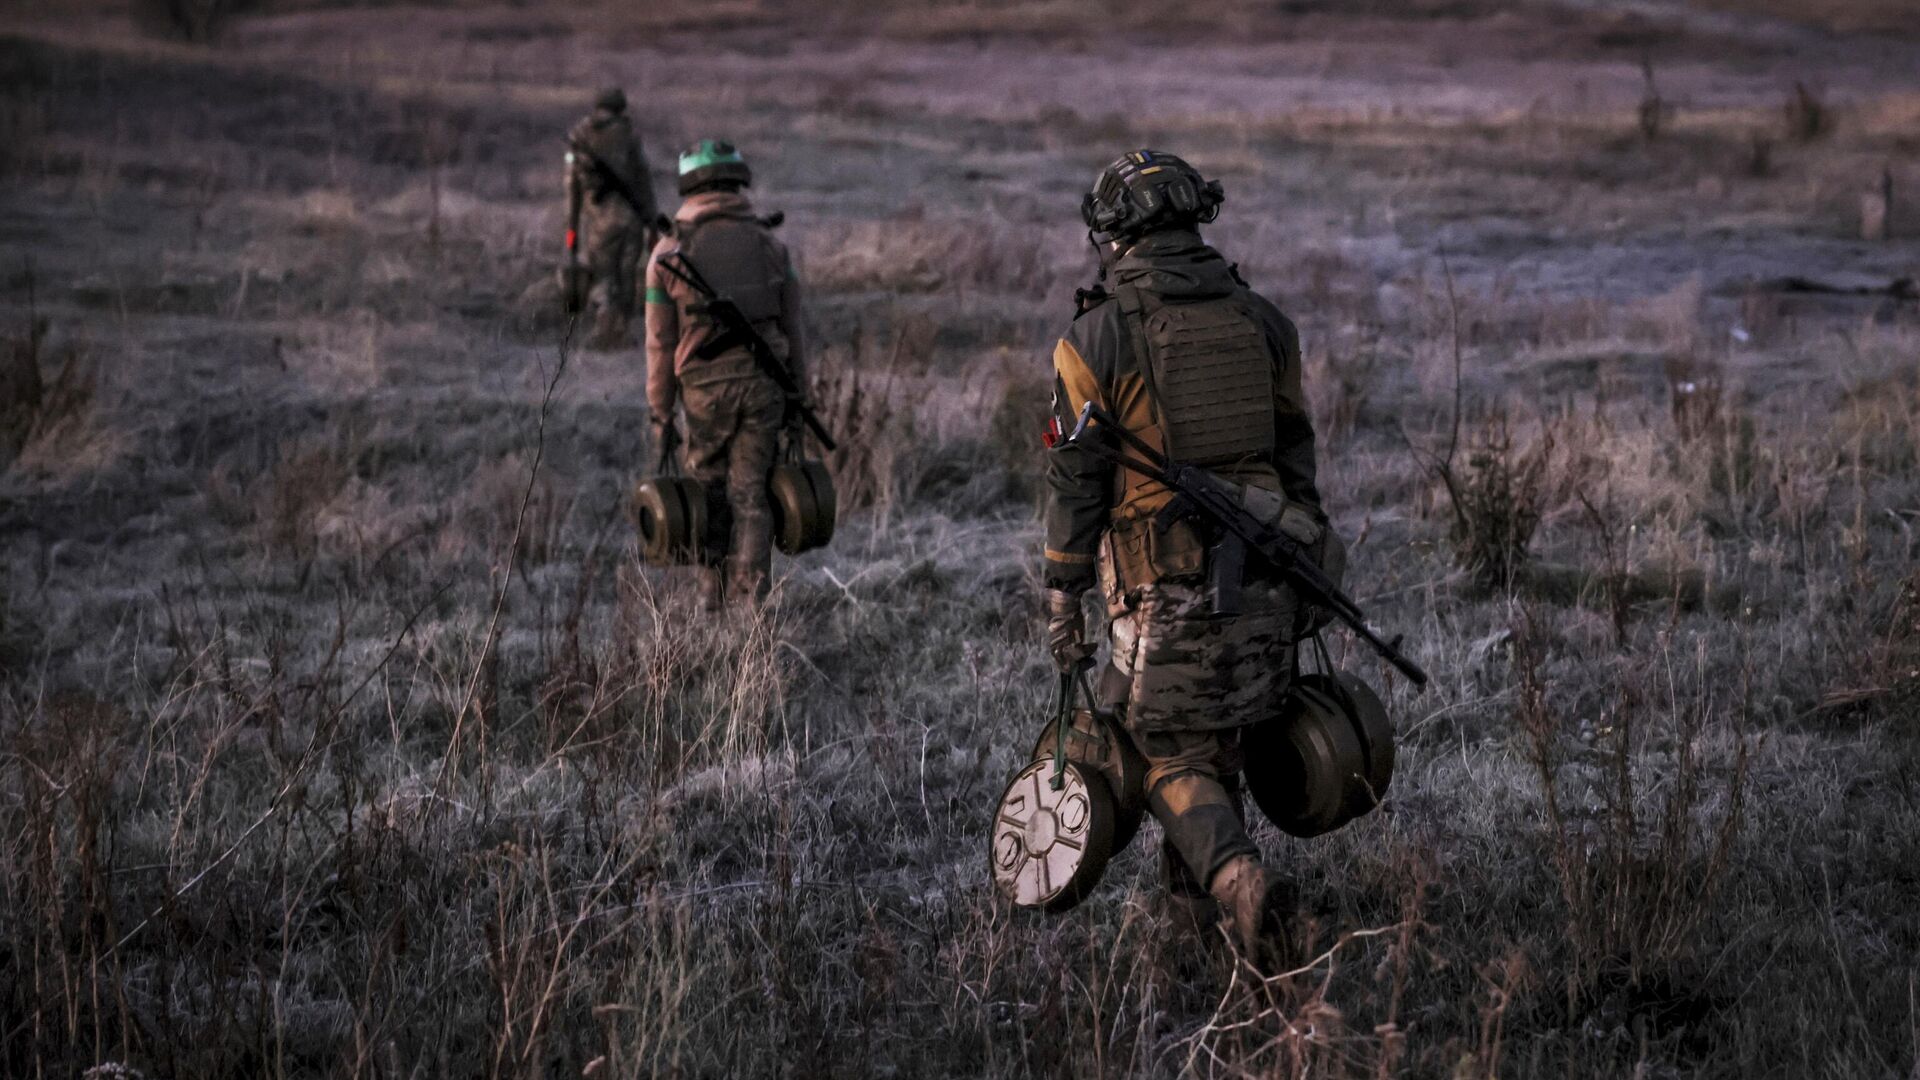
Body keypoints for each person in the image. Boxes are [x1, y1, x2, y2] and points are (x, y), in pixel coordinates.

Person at [1040, 149, 1333, 966]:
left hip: (1160, 589)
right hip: (1271, 577)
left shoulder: (1094, 336)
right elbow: (1296, 458)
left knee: (1161, 749)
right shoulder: (1265, 321)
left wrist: (1063, 596)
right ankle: (1193, 946)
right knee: (1217, 746)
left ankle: (1241, 883)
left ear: (1113, 233)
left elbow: (1074, 480)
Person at [644, 140, 808, 609]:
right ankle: (752, 608)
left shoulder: (667, 252)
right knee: (752, 494)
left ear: (689, 184)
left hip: (703, 393)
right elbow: (793, 329)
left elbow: (659, 344)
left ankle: (709, 603)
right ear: (738, 182)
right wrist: (802, 398)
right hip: (766, 387)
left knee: (707, 492)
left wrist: (660, 414)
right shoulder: (773, 246)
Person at [565, 87, 659, 349]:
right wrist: (652, 224)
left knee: (604, 275)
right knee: (627, 275)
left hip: (599, 223)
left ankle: (603, 327)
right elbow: (644, 181)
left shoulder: (579, 136)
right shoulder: (629, 136)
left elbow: (572, 187)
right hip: (631, 220)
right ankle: (621, 330)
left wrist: (571, 229)